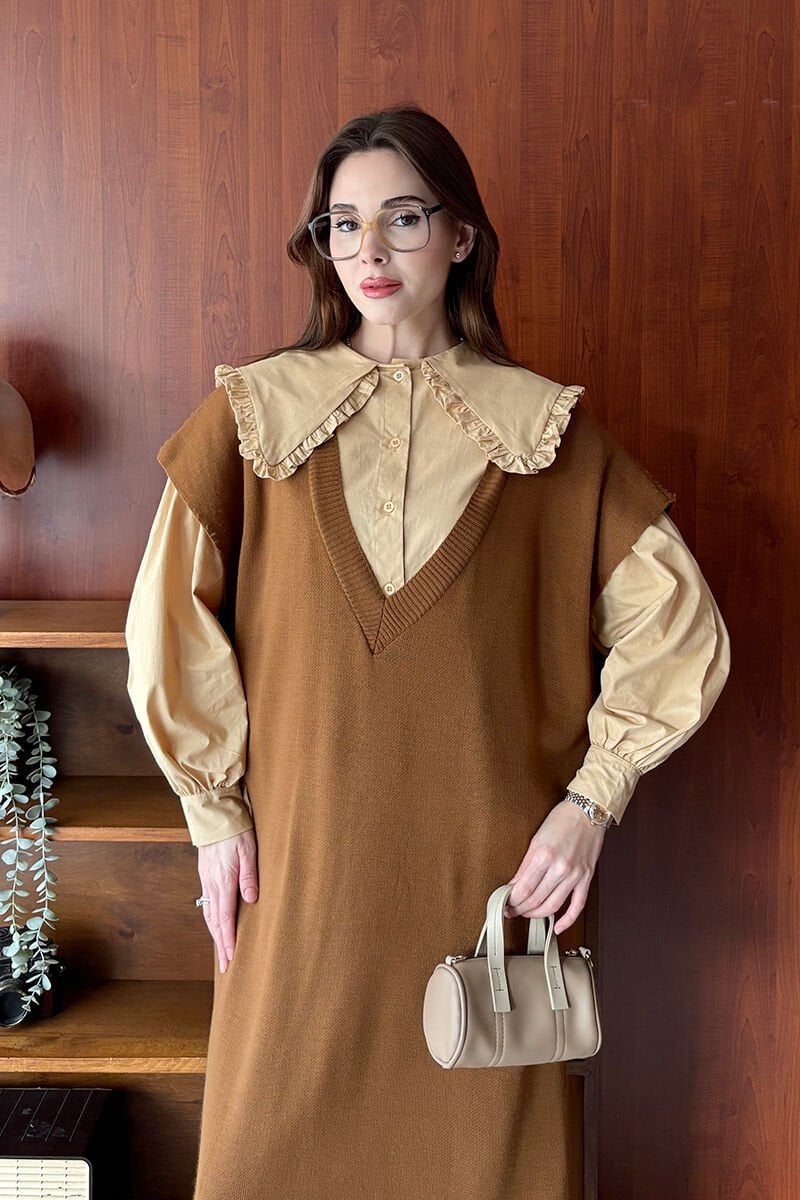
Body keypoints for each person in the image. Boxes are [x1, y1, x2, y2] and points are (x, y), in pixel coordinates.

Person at [125, 104, 730, 1200]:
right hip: (299, 886)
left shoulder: (547, 435)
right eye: (342, 224)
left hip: (488, 904)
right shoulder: (252, 420)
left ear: (460, 236)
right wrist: (211, 813)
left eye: (402, 218)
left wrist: (591, 805)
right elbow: (165, 625)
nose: (368, 250)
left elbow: (679, 628)